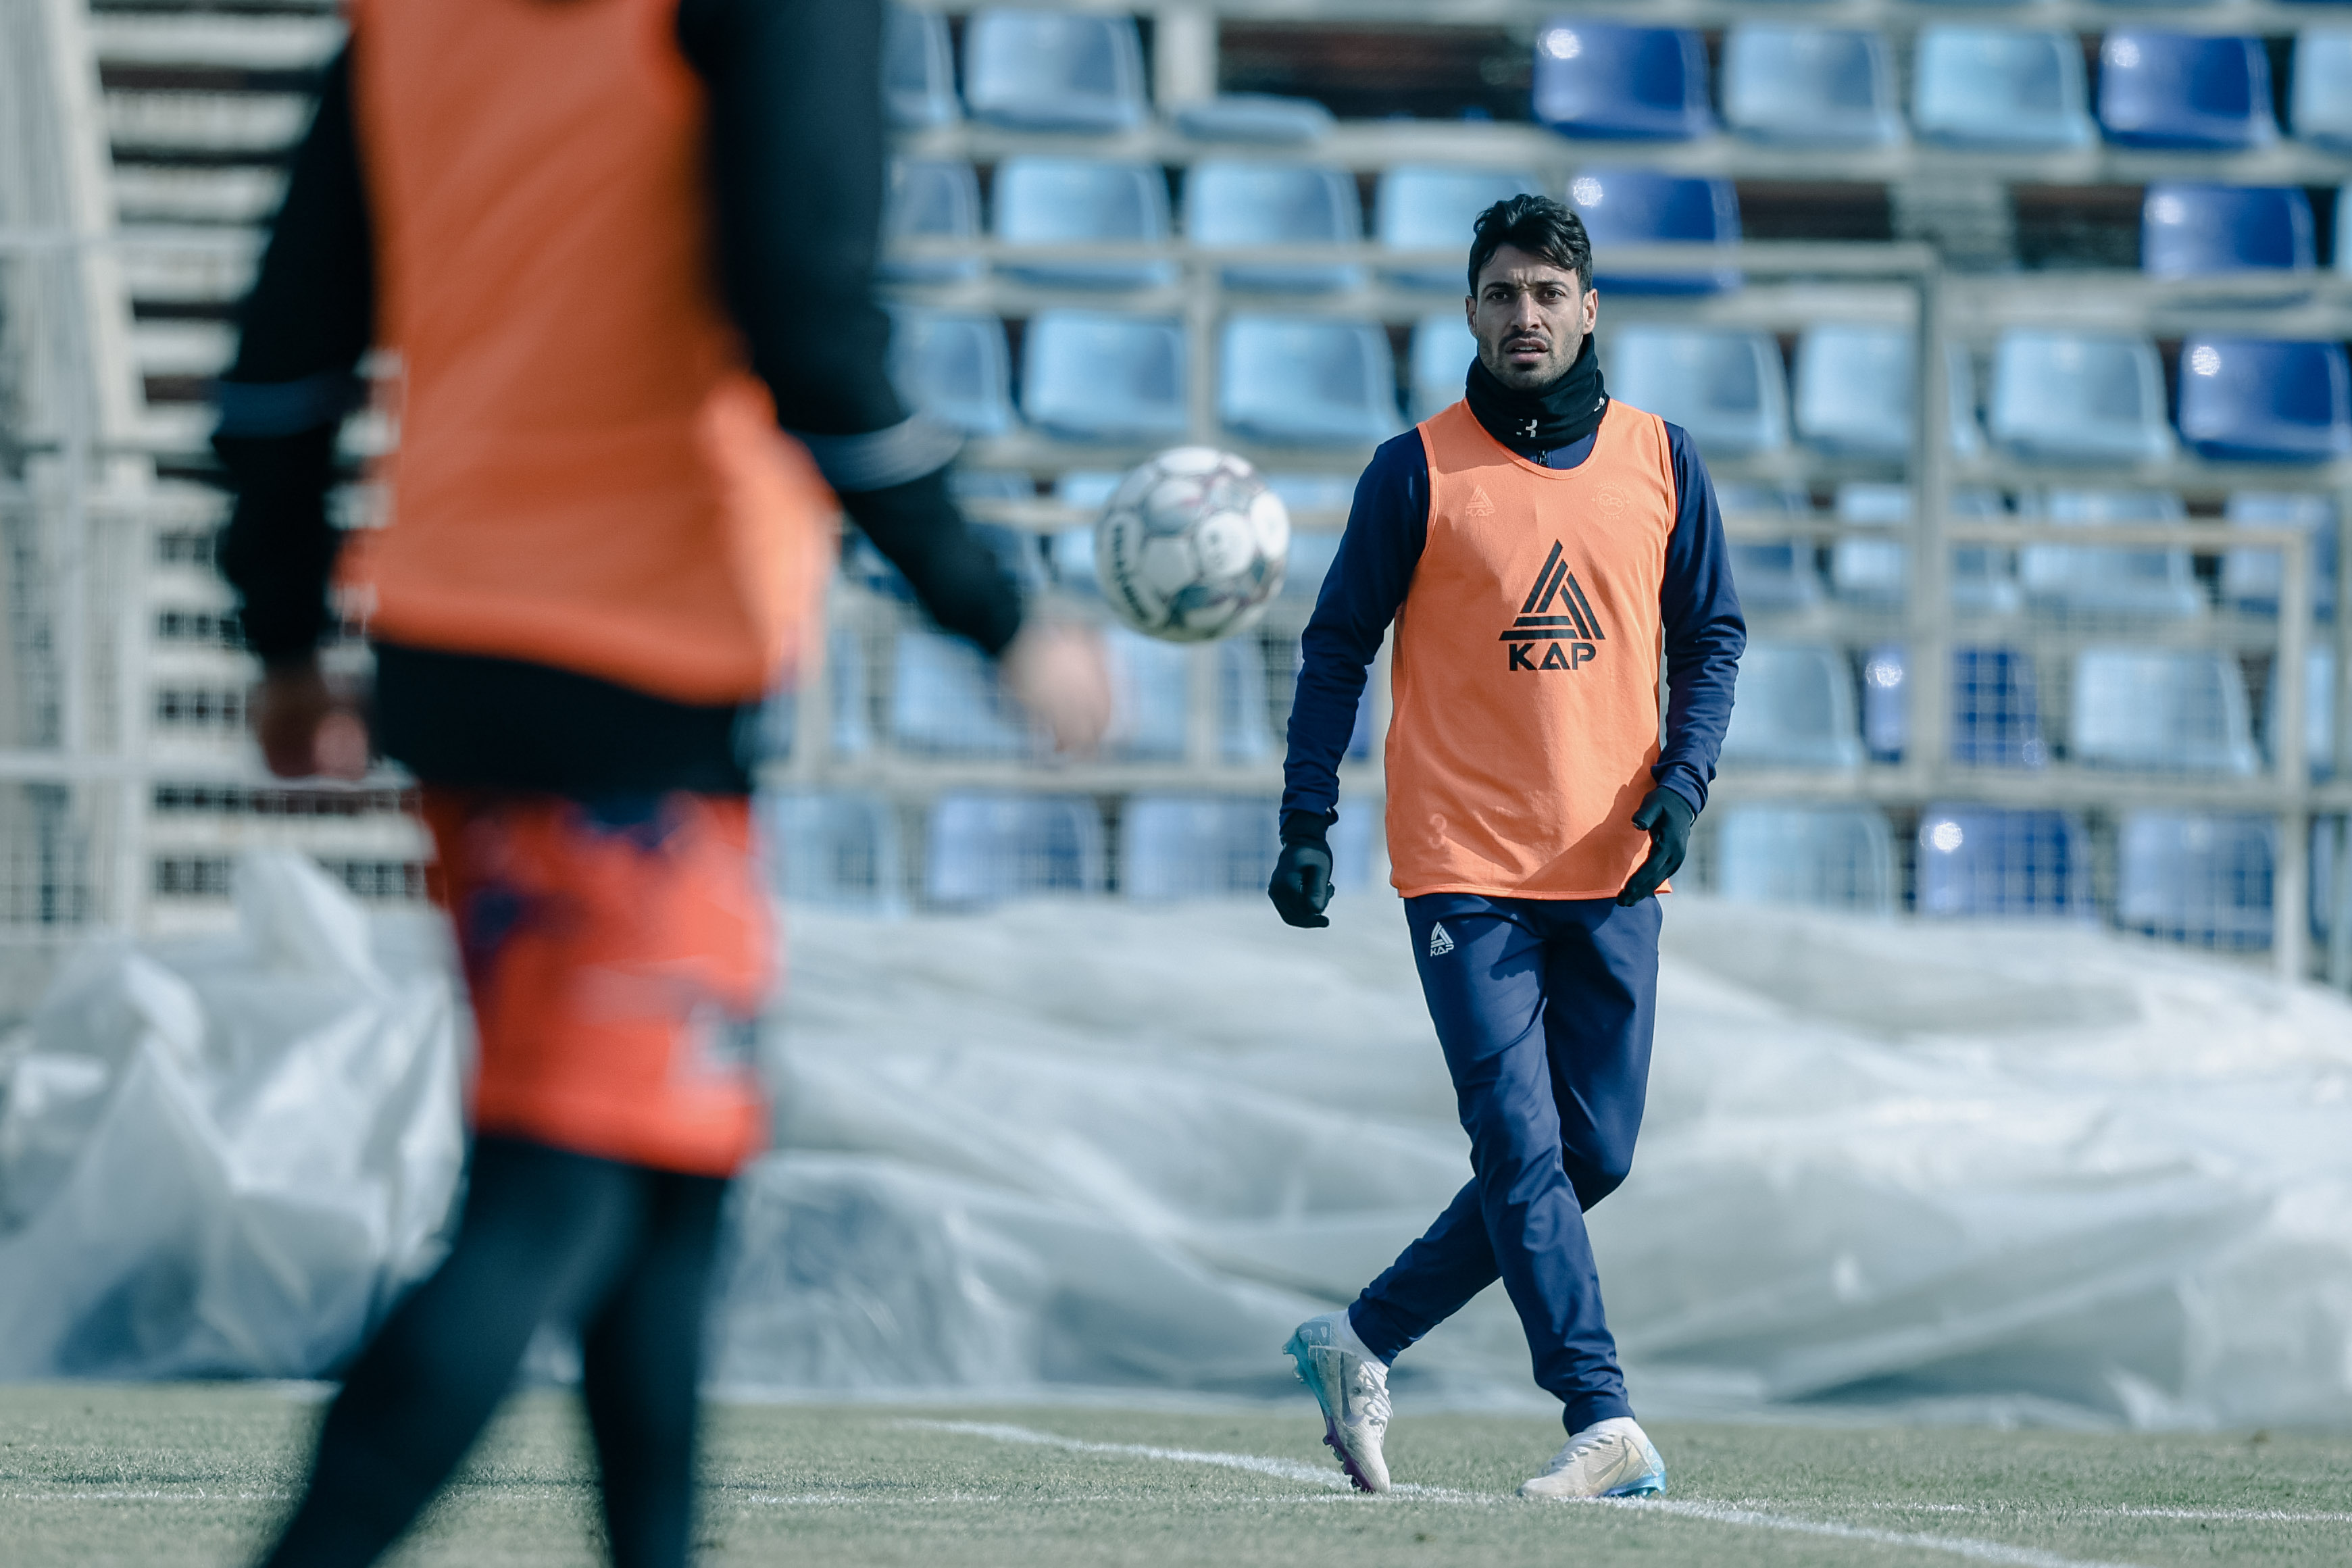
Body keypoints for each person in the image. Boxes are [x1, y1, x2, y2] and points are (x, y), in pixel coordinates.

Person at [209, 3, 1108, 1565]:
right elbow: (807, 321)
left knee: (670, 1185)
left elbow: (286, 350)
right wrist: (997, 611)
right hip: (641, 666)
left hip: (456, 644)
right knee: (556, 1193)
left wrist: (284, 630)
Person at [1266, 195, 1743, 1500]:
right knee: (1522, 1148)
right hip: (1461, 868)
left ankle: (1361, 1337)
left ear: (1588, 309)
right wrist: (1306, 817)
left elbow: (1712, 635)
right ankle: (1602, 1413)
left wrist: (1684, 783)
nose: (1523, 315)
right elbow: (1334, 646)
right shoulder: (1412, 469)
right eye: (1499, 294)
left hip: (1613, 864)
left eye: (1545, 293)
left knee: (1594, 1155)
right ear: (1469, 312)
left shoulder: (1662, 458)